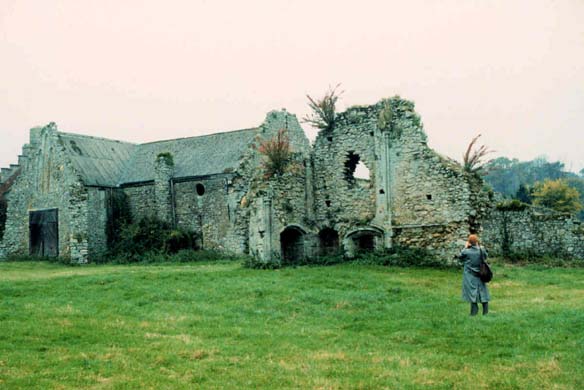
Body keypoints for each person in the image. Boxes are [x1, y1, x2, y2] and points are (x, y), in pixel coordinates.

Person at [458, 234, 490, 316]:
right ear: (477, 241)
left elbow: (460, 257)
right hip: (481, 273)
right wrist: (479, 247)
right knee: (483, 291)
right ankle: (485, 312)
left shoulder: (466, 251)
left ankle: (474, 312)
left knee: (472, 292)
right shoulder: (481, 250)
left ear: (469, 242)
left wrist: (465, 247)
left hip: (470, 275)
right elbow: (485, 256)